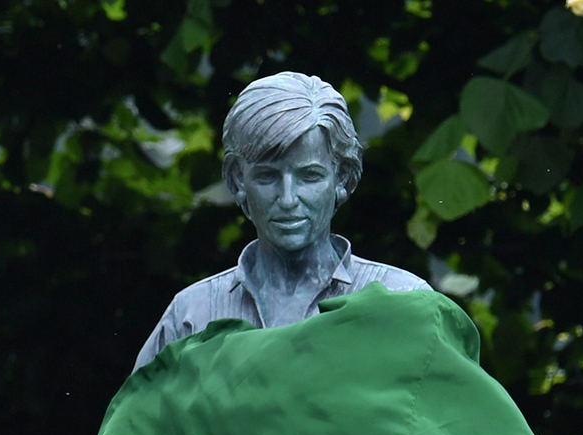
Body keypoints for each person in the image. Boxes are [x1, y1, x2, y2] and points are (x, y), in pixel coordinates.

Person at [131, 72, 430, 373]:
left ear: (342, 178)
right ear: (237, 180)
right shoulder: (192, 315)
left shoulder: (405, 302)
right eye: (267, 176)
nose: (288, 199)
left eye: (310, 176)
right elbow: (140, 417)